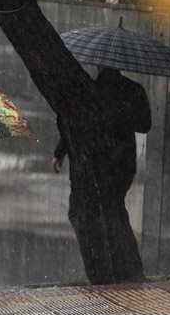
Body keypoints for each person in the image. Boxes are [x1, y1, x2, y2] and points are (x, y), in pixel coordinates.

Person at [51, 67, 151, 280]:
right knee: (112, 210)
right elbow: (145, 124)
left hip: (99, 163)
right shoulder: (133, 90)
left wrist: (60, 152)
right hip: (123, 164)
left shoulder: (91, 90)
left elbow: (75, 123)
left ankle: (107, 267)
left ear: (99, 65)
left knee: (85, 212)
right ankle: (122, 266)